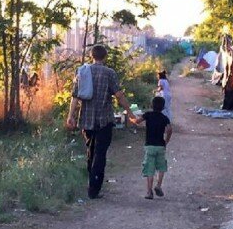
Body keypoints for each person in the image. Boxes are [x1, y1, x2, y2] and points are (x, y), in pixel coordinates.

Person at [66, 45, 135, 199]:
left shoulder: (82, 71)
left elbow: (75, 96)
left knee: (90, 151)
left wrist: (70, 116)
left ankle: (91, 183)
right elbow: (118, 95)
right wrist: (129, 113)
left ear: (92, 56)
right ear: (105, 56)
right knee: (100, 153)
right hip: (104, 120)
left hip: (86, 119)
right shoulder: (109, 73)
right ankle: (94, 188)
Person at [131, 96, 173, 200]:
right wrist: (166, 141)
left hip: (149, 146)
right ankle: (158, 185)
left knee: (149, 169)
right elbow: (169, 129)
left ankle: (149, 192)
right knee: (161, 167)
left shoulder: (148, 115)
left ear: (151, 105)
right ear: (163, 107)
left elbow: (137, 121)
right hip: (160, 146)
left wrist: (131, 118)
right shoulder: (164, 118)